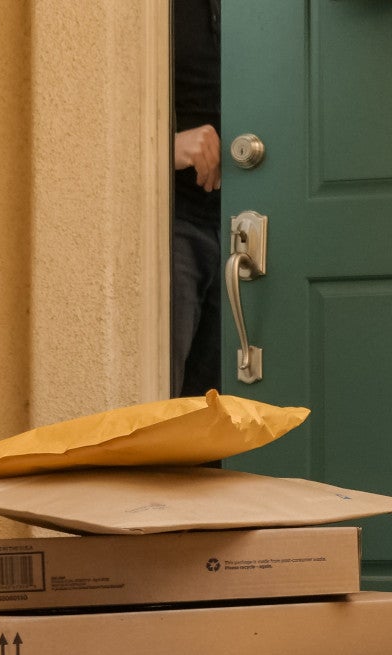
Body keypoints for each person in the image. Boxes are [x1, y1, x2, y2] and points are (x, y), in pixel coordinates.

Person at [170, 0, 222, 398]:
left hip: (262, 221)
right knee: (165, 410)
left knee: (226, 428)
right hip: (173, 225)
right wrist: (166, 148)